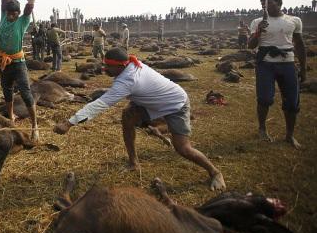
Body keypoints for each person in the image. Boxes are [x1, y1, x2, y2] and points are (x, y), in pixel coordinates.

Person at [53, 47, 226, 191]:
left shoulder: (127, 80)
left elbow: (100, 104)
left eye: (108, 66)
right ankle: (133, 162)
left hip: (175, 103)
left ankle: (215, 172)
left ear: (120, 66)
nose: (105, 69)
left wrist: (69, 122)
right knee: (127, 117)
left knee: (182, 148)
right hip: (152, 102)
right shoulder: (131, 65)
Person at [248, 0, 306, 149]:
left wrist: (303, 68)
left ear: (279, 3)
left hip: (287, 63)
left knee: (292, 102)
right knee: (265, 98)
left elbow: (299, 44)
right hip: (265, 63)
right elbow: (251, 45)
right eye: (263, 5)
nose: (265, 7)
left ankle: (289, 135)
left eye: (269, 4)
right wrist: (258, 31)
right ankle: (262, 129)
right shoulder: (257, 22)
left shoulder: (293, 21)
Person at [0, 0, 39, 141]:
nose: (11, 17)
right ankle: (11, 117)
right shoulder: (3, 17)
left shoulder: (23, 21)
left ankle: (34, 125)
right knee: (7, 92)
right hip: (4, 62)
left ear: (18, 14)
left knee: (26, 93)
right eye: (9, 13)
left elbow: (31, 4)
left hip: (18, 63)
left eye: (14, 14)